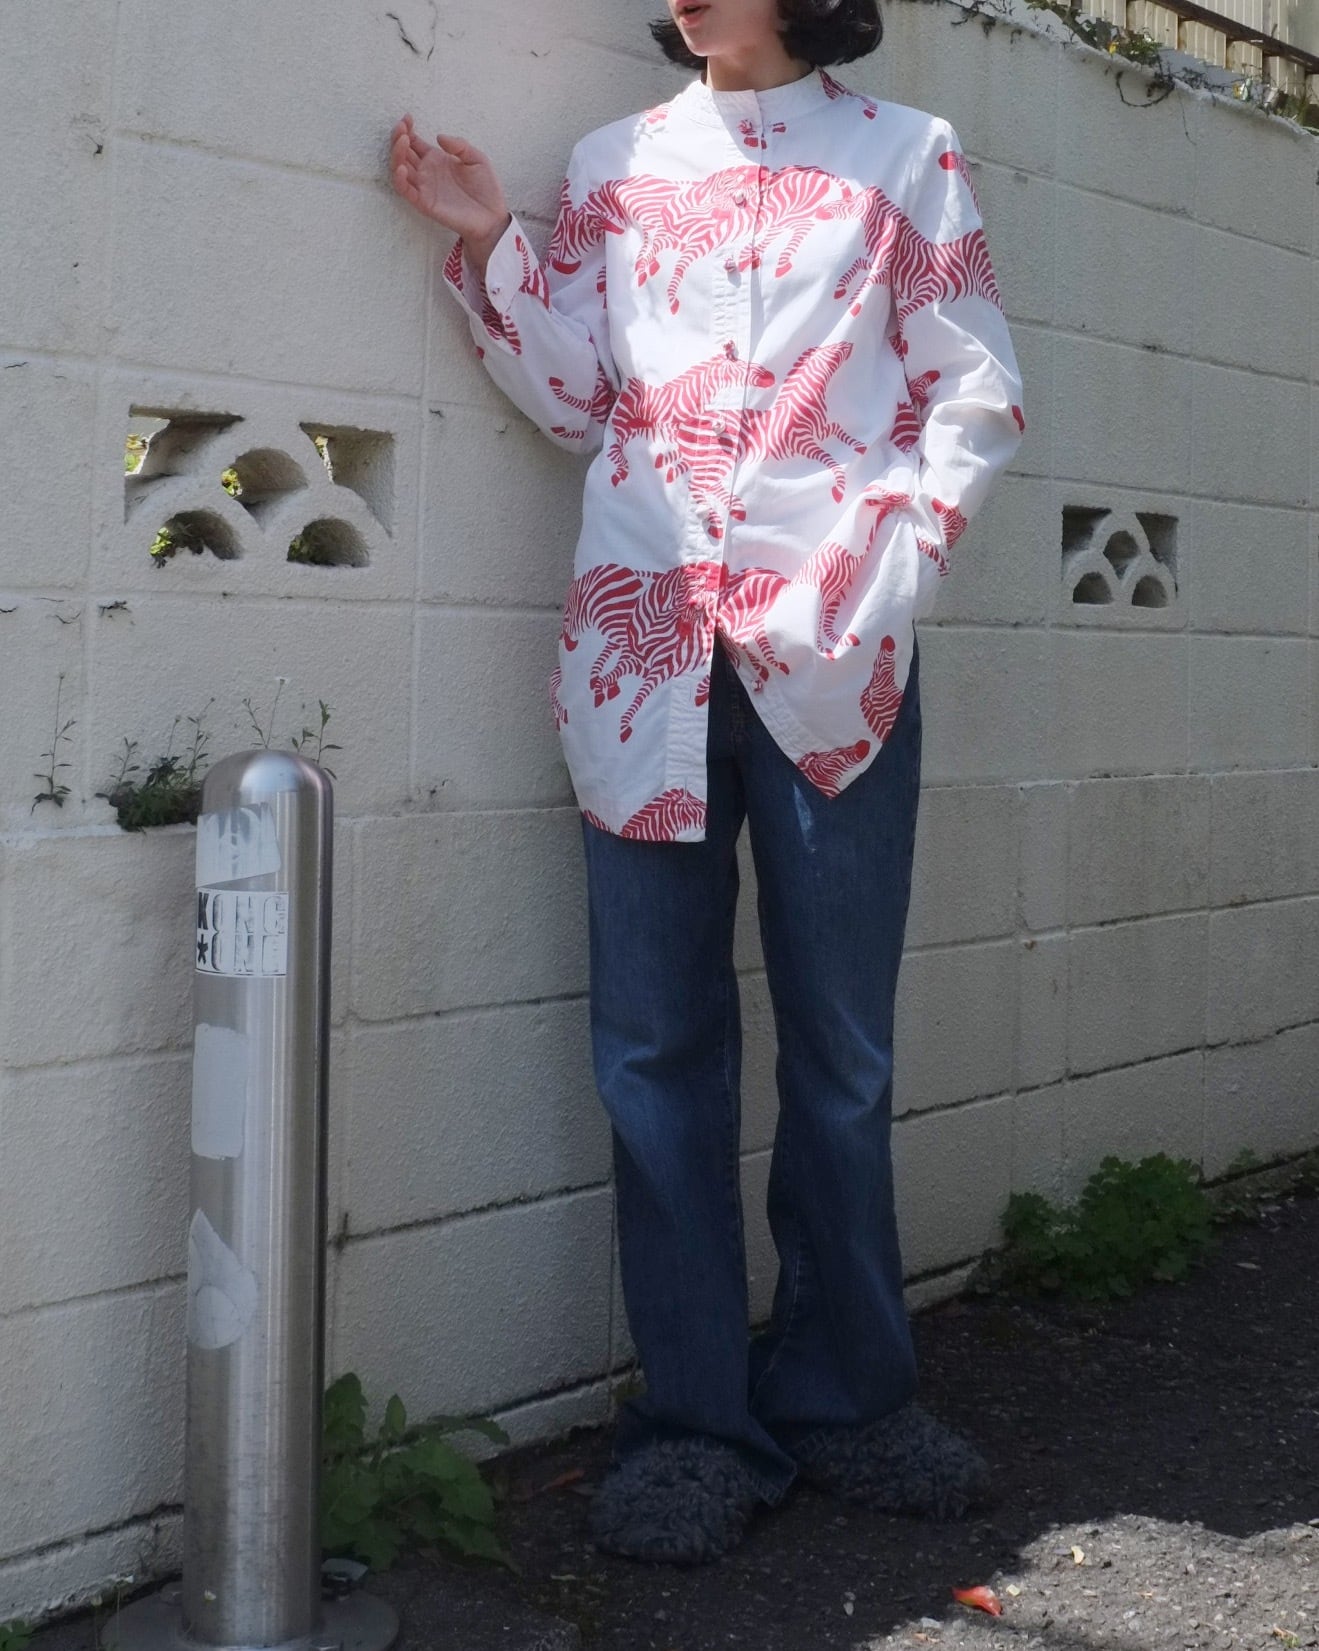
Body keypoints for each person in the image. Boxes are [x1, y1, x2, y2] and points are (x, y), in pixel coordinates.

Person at [390, 0, 1025, 1565]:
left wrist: (882, 579)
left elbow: (974, 388)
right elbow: (579, 399)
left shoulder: (908, 158)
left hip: (833, 665)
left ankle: (849, 1393)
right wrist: (491, 243)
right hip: (644, 660)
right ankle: (693, 1422)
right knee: (652, 1050)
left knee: (841, 1052)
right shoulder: (614, 163)